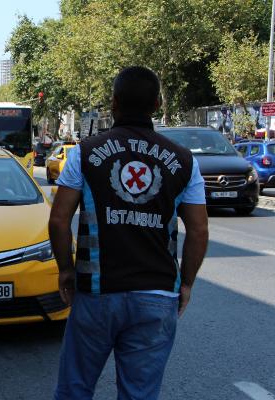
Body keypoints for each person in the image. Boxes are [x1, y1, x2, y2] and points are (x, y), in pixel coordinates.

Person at [49, 66, 209, 400]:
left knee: (75, 388)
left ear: (114, 103)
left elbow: (60, 220)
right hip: (158, 294)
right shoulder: (184, 161)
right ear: (155, 105)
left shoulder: (85, 153)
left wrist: (66, 269)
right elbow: (198, 230)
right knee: (140, 394)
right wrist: (187, 282)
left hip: (96, 293)